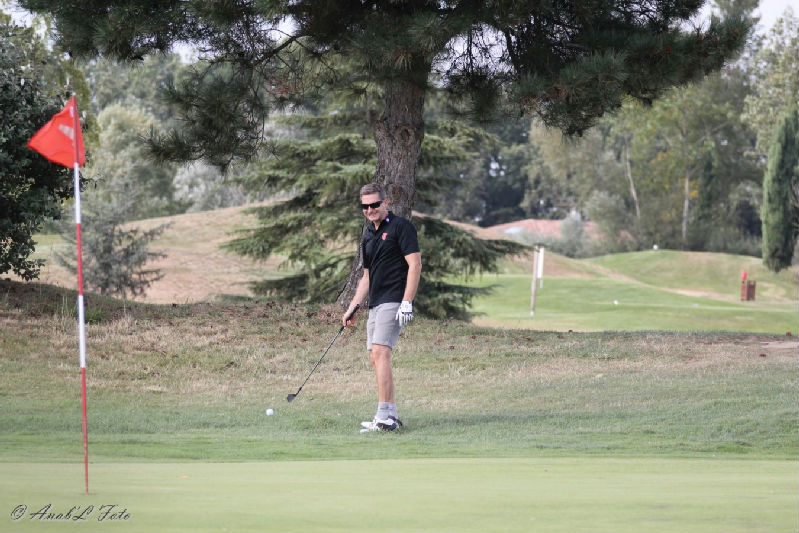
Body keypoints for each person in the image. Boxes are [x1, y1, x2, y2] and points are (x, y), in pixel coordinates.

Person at [343, 183, 421, 432]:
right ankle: (391, 415)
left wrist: (407, 301)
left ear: (385, 203)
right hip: (376, 302)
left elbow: (415, 265)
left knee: (380, 352)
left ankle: (383, 416)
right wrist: (353, 307)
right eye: (365, 206)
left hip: (394, 299)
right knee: (374, 356)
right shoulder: (368, 235)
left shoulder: (401, 227)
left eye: (375, 204)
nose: (370, 210)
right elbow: (366, 277)